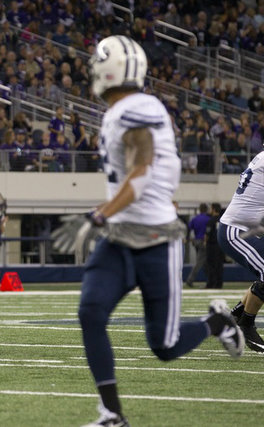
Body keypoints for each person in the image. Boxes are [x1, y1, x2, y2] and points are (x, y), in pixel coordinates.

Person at [79, 36, 243, 427]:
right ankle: (112, 414)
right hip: (120, 237)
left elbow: (140, 172)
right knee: (90, 312)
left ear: (109, 69)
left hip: (154, 240)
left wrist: (99, 214)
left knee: (164, 347)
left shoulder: (139, 107)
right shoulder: (120, 110)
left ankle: (216, 323)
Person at [218, 125, 264, 352]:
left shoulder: (263, 158)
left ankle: (236, 316)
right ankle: (245, 324)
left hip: (247, 229)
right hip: (235, 231)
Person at [184, 203, 211, 287]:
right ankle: (189, 280)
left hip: (196, 241)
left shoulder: (195, 219)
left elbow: (188, 228)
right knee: (199, 262)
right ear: (206, 210)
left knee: (204, 262)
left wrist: (188, 238)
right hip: (204, 242)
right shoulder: (208, 219)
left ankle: (210, 280)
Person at [204, 203, 224, 289]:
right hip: (221, 245)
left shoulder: (211, 220)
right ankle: (219, 283)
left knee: (211, 265)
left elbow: (207, 234)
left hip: (212, 246)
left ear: (214, 209)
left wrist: (205, 242)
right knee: (219, 265)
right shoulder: (222, 220)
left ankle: (211, 283)